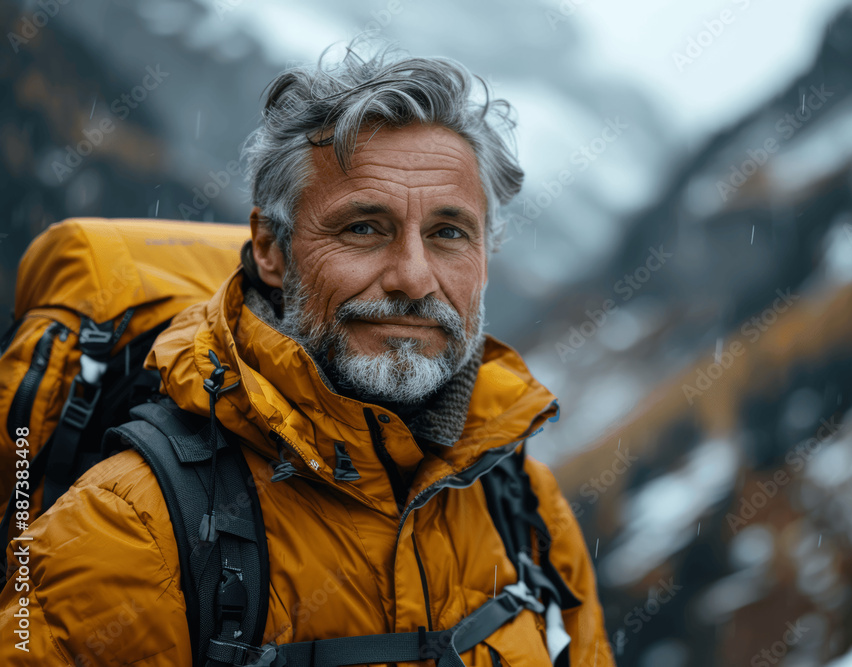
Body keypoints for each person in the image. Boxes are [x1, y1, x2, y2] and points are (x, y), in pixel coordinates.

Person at [0, 41, 614, 666]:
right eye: (363, 228)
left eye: (449, 233)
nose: (414, 277)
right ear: (271, 249)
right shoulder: (132, 531)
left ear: (487, 257)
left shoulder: (519, 498)